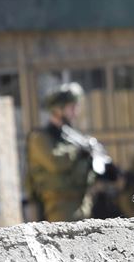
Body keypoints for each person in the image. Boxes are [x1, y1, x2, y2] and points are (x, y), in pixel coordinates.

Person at [25, 82, 95, 221]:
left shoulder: (70, 136)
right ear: (58, 109)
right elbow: (55, 162)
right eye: (72, 107)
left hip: (81, 202)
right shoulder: (40, 137)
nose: (76, 112)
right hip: (59, 206)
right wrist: (79, 150)